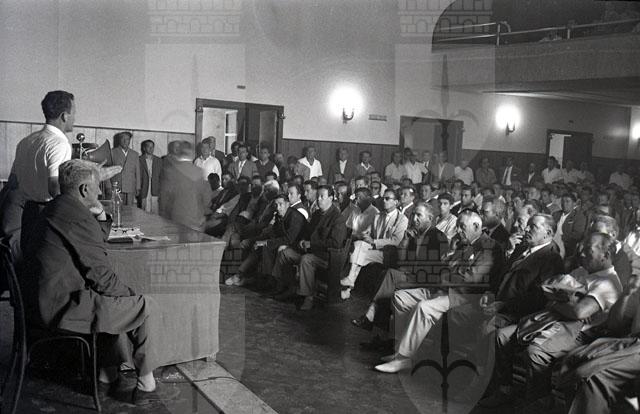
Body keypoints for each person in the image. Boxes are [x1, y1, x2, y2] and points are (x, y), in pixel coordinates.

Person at [21, 159, 159, 402]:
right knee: (143, 305)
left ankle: (107, 377)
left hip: (42, 300)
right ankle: (146, 385)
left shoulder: (57, 208)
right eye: (98, 187)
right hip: (61, 308)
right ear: (84, 189)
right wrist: (131, 295)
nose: (100, 192)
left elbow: (92, 239)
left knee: (111, 300)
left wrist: (101, 214)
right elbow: (102, 278)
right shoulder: (77, 217)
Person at [482, 232, 622, 408]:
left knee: (536, 353)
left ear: (605, 255)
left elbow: (578, 312)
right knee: (501, 336)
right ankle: (505, 389)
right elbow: (547, 291)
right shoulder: (580, 272)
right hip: (550, 321)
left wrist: (556, 301)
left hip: (578, 334)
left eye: (588, 249)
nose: (581, 253)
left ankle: (538, 402)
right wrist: (561, 301)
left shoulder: (608, 283)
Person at [375, 211, 503, 373]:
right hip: (443, 289)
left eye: (462, 227)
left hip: (463, 296)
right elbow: (444, 267)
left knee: (424, 308)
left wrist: (447, 274)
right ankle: (404, 350)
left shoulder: (489, 247)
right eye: (457, 226)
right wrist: (450, 257)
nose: (458, 230)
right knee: (400, 298)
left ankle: (403, 358)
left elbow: (472, 279)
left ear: (476, 226)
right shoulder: (463, 243)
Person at [2, 90, 119, 257]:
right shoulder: (59, 143)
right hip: (44, 214)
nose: (74, 118)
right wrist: (94, 178)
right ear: (64, 116)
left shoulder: (27, 141)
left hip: (26, 214)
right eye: (74, 113)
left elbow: (13, 181)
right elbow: (55, 189)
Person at [351, 202, 448, 332]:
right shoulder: (414, 234)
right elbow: (402, 261)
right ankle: (377, 321)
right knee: (387, 276)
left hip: (427, 281)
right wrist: (405, 242)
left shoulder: (438, 237)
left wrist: (409, 267)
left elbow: (430, 267)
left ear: (429, 218)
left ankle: (372, 317)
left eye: (419, 215)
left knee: (390, 276)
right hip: (412, 275)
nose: (414, 219)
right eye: (413, 214)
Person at [271, 185, 347, 310]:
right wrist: (303, 240)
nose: (318, 199)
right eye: (317, 196)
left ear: (331, 198)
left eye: (322, 196)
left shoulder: (337, 218)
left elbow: (336, 243)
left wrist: (312, 244)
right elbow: (307, 232)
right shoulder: (317, 214)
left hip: (327, 257)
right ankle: (288, 287)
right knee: (285, 253)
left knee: (306, 260)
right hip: (310, 251)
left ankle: (308, 297)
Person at [341, 189, 409, 296]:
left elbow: (396, 241)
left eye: (387, 199)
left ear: (396, 202)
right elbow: (368, 232)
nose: (384, 201)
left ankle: (348, 286)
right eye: (383, 198)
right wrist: (365, 235)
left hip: (389, 253)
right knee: (358, 245)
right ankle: (349, 281)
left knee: (359, 254)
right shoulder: (378, 216)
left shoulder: (402, 219)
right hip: (375, 249)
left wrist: (374, 241)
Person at [158, 142, 210, 231]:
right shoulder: (199, 171)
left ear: (179, 153)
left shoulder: (170, 171)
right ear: (192, 154)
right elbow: (206, 198)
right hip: (196, 219)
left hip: (176, 218)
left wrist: (164, 216)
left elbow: (164, 198)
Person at [110, 131, 140, 206]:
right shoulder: (112, 152)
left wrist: (138, 187)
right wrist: (108, 186)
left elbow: (137, 172)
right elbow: (107, 169)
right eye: (122, 138)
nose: (125, 141)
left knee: (130, 208)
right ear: (119, 140)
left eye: (127, 139)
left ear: (130, 141)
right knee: (116, 208)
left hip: (130, 186)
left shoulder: (135, 154)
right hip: (117, 186)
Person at [138, 139, 162, 213]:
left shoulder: (159, 160)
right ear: (144, 148)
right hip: (144, 189)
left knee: (155, 211)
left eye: (152, 147)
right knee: (144, 210)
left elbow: (161, 177)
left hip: (155, 189)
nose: (151, 149)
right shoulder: (139, 160)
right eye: (148, 146)